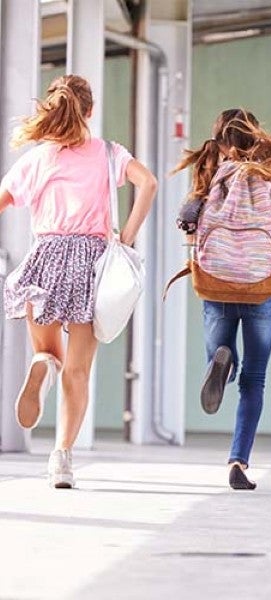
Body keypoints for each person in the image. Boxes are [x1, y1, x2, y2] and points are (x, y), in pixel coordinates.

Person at [0, 75, 157, 488]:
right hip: (91, 264)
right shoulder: (108, 153)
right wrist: (127, 235)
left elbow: (1, 198)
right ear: (91, 111)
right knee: (78, 371)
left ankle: (40, 366)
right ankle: (62, 460)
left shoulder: (37, 159)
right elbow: (149, 183)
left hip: (44, 258)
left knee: (46, 351)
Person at [172, 108, 271, 490]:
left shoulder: (210, 177)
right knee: (255, 380)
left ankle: (221, 362)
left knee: (219, 353)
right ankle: (239, 462)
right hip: (263, 284)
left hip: (217, 282)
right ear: (256, 138)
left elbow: (186, 219)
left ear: (221, 143)